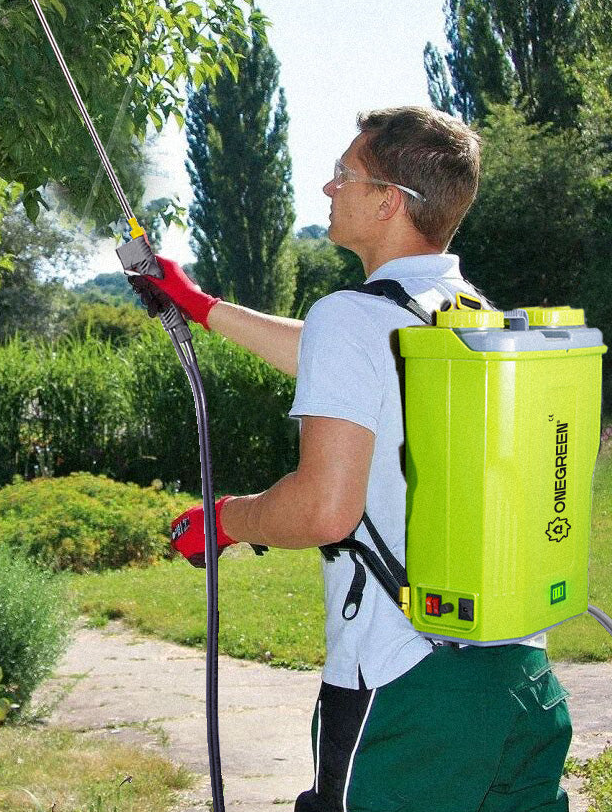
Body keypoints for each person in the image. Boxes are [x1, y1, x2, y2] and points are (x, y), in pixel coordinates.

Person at [142, 106, 572, 812]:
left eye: (345, 173)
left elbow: (324, 510)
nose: (328, 187)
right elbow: (337, 355)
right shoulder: (473, 314)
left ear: (388, 201)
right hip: (520, 683)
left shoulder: (353, 316)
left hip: (404, 690)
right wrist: (199, 304)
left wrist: (225, 521)